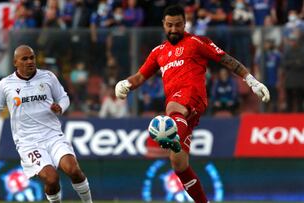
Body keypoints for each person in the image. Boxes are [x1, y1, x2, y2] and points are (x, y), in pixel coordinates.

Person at [115, 5, 270, 203]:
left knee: (171, 108)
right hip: (182, 114)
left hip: (191, 99)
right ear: (163, 24)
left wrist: (251, 81)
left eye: (178, 25)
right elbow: (140, 76)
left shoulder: (196, 42)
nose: (173, 29)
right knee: (178, 164)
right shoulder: (158, 52)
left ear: (185, 23)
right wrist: (126, 84)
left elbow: (226, 59)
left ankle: (170, 133)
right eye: (169, 25)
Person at [0, 45, 93, 203]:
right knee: (51, 178)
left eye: (32, 57)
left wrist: (60, 106)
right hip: (28, 142)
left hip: (53, 135)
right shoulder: (5, 84)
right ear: (15, 62)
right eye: (24, 59)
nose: (30, 61)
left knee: (73, 169)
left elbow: (64, 97)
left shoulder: (48, 77)